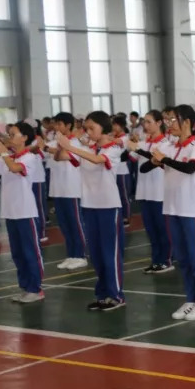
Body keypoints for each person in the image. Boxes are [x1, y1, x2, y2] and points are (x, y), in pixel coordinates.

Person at [56, 111, 126, 311]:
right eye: (85, 128)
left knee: (110, 252)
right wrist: (63, 145)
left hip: (108, 206)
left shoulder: (113, 148)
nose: (87, 131)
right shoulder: (87, 149)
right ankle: (103, 294)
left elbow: (98, 160)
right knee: (95, 253)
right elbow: (61, 157)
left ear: (103, 128)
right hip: (89, 205)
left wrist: (73, 147)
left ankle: (116, 295)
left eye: (91, 128)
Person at [150, 105, 195, 320]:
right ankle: (191, 299)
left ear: (187, 123)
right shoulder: (171, 147)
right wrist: (155, 159)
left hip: (192, 210)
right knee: (183, 258)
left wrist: (164, 159)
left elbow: (189, 168)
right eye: (167, 121)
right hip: (172, 208)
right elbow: (147, 167)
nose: (169, 124)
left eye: (173, 120)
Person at [0, 122, 45, 303]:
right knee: (17, 253)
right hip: (10, 212)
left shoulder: (29, 158)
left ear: (24, 138)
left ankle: (36, 288)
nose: (9, 137)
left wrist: (3, 153)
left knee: (30, 251)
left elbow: (15, 168)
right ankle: (25, 287)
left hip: (25, 211)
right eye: (8, 134)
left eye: (13, 134)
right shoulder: (7, 157)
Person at [128, 110, 174, 275]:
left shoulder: (165, 144)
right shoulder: (143, 143)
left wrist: (138, 149)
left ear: (159, 123)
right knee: (151, 230)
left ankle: (167, 260)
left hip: (159, 192)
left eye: (149, 122)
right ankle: (156, 260)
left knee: (163, 229)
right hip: (144, 192)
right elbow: (128, 158)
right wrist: (127, 146)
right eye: (144, 122)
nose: (145, 125)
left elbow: (157, 159)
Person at [48, 113, 88, 271]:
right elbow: (53, 154)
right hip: (58, 188)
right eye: (55, 124)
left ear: (68, 125)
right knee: (64, 224)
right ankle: (71, 254)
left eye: (60, 124)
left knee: (75, 223)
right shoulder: (58, 142)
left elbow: (62, 156)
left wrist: (56, 148)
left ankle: (81, 255)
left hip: (72, 189)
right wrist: (55, 148)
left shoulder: (76, 142)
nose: (56, 127)